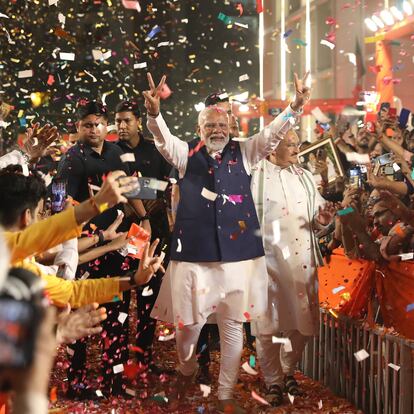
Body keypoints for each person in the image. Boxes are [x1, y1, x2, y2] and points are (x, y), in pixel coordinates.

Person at [143, 71, 310, 413]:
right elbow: (162, 139)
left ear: (232, 127)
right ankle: (187, 368)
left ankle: (225, 394)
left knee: (233, 326)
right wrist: (154, 115)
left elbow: (273, 134)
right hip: (193, 255)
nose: (217, 131)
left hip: (237, 258)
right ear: (199, 129)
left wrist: (294, 106)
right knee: (188, 328)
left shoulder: (246, 152)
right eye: (209, 125)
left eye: (222, 125)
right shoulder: (184, 153)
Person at [56, 100, 150, 397]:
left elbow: (131, 187)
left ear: (105, 125)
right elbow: (61, 207)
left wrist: (144, 218)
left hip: (117, 245)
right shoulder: (71, 160)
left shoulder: (116, 152)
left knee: (118, 315)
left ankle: (115, 381)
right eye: (87, 124)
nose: (93, 129)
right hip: (86, 249)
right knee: (83, 316)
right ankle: (77, 383)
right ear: (78, 127)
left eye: (98, 124)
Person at [250, 128, 334, 406]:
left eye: (297, 144)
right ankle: (273, 381)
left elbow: (319, 217)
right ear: (273, 147)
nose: (298, 150)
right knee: (266, 326)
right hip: (266, 260)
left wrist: (323, 218)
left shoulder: (305, 177)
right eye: (291, 145)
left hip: (302, 262)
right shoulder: (253, 175)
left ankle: (287, 370)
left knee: (303, 326)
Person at [115, 99, 172, 374]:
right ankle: (117, 355)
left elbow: (166, 185)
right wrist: (141, 195)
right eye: (118, 121)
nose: (122, 126)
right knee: (123, 294)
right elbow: (116, 189)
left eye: (127, 120)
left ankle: (143, 355)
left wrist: (138, 189)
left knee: (151, 296)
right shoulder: (113, 151)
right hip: (125, 232)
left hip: (155, 230)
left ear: (138, 121)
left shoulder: (155, 150)